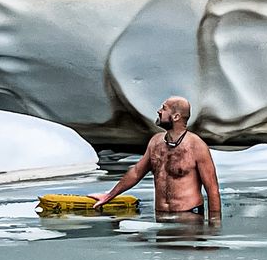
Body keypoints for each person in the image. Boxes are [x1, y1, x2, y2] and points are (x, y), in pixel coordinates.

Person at [89, 96, 221, 224]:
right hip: (161, 216)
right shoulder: (156, 142)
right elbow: (136, 172)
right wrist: (109, 196)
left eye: (164, 109)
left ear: (176, 117)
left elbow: (212, 189)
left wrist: (214, 226)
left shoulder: (197, 146)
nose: (159, 111)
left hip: (189, 217)